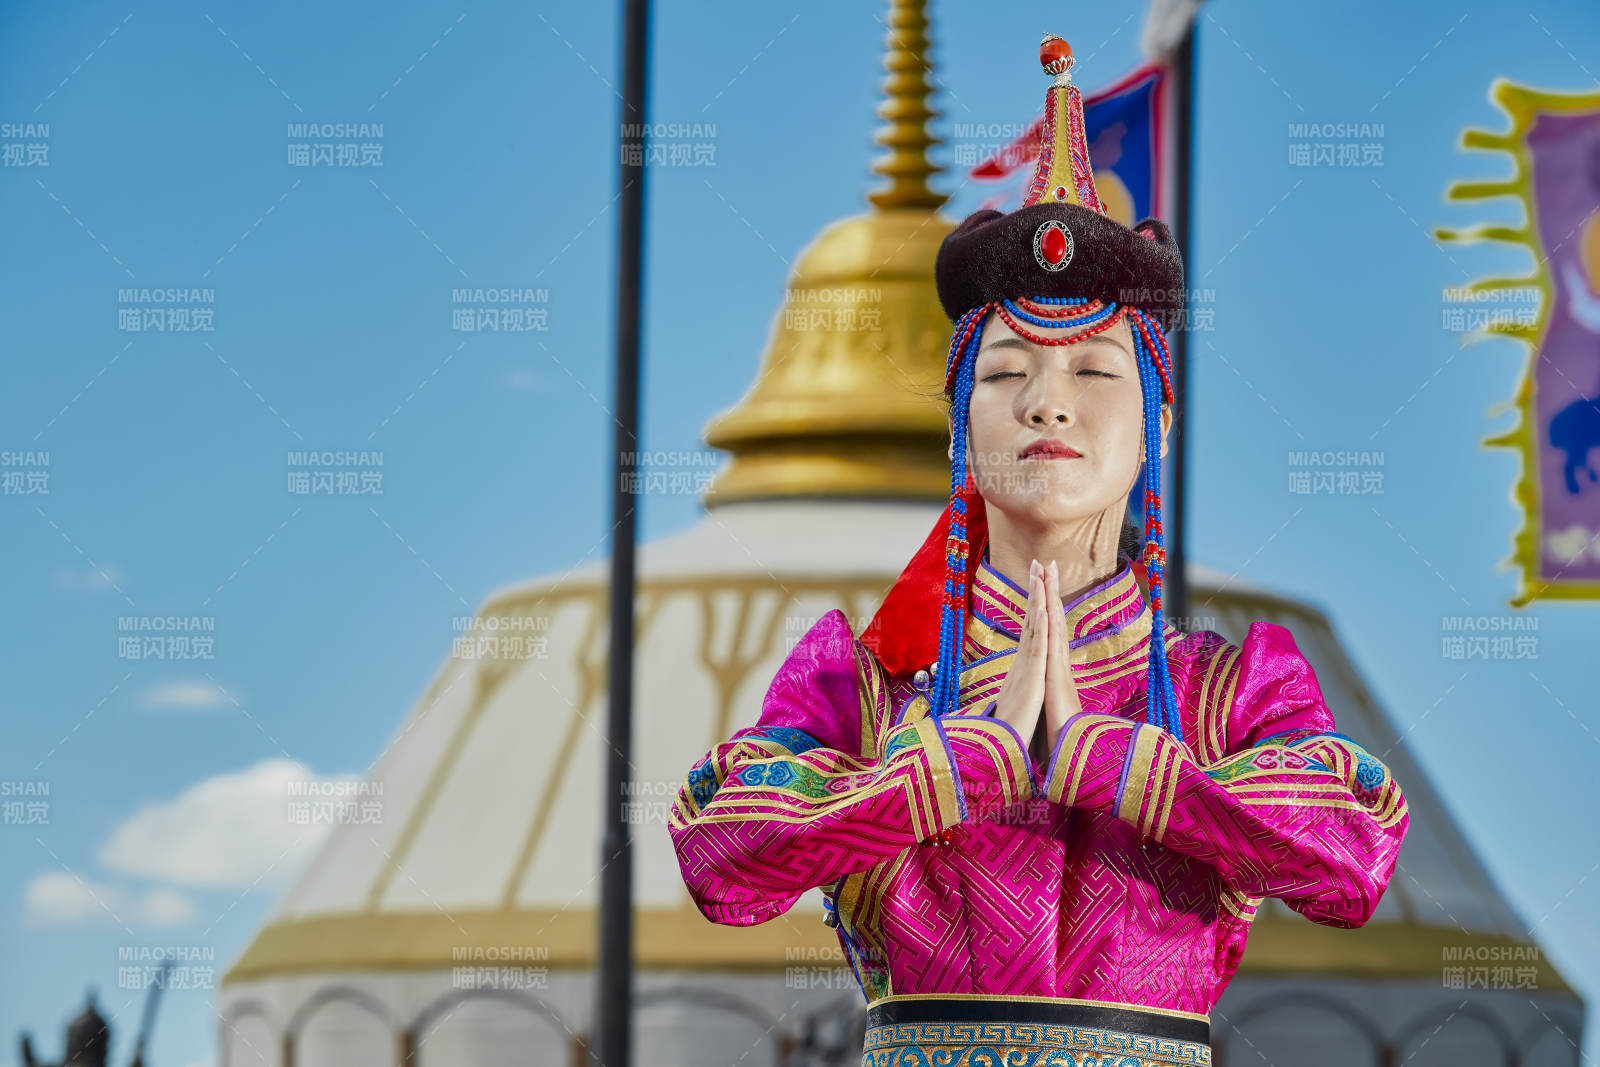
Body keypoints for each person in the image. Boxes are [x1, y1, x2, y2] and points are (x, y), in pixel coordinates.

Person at [668, 32, 1409, 1066]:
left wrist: (1129, 769)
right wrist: (941, 771)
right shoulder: (866, 684)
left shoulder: (1227, 691)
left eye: (1094, 373)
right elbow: (719, 843)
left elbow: (1355, 845)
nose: (1046, 405)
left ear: (1157, 424)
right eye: (1005, 373)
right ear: (957, 424)